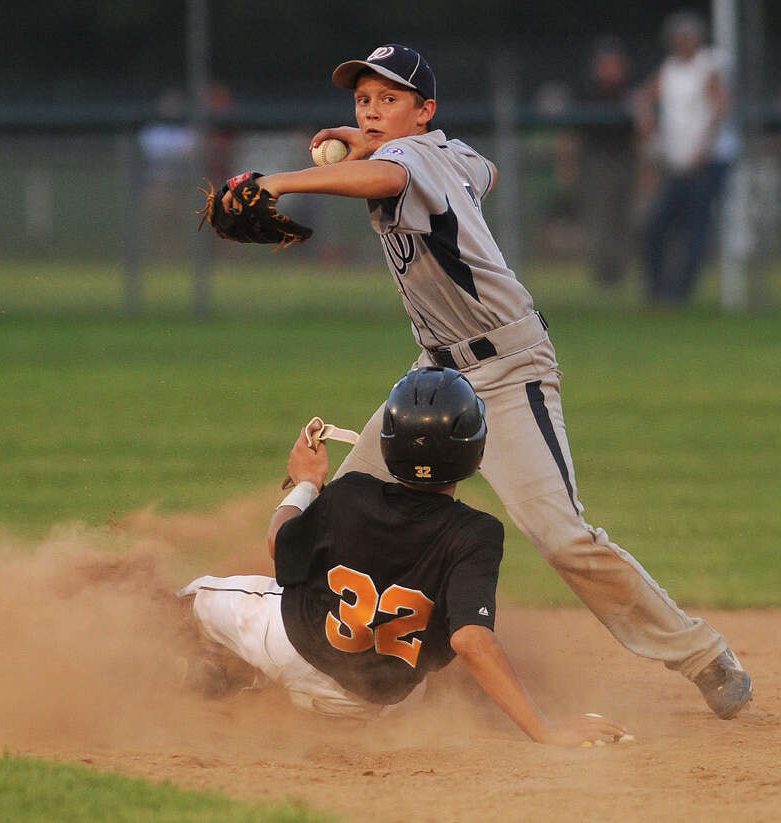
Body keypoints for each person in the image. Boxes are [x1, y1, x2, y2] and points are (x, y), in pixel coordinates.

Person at [213, 44, 752, 719]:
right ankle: (308, 658)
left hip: (508, 370)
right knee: (350, 509)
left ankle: (703, 654)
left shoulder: (407, 162)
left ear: (424, 110)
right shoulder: (446, 154)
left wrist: (286, 182)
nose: (371, 108)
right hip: (435, 372)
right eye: (362, 100)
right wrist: (365, 143)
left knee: (564, 538)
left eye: (388, 99)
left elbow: (387, 179)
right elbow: (483, 171)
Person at [181, 367, 630, 746]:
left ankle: (177, 669)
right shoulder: (476, 533)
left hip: (288, 649)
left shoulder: (351, 493)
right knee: (423, 674)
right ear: (475, 452)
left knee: (198, 596)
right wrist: (544, 729)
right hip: (369, 706)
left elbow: (280, 548)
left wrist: (306, 482)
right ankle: (240, 677)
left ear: (388, 442)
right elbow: (471, 640)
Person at [635, 12, 735, 304]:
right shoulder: (669, 70)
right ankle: (658, 291)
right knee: (656, 226)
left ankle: (681, 294)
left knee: (695, 228)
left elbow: (719, 109)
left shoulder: (710, 64)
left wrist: (702, 150)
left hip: (706, 163)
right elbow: (642, 98)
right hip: (678, 163)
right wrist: (651, 137)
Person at [575, 35, 637, 287]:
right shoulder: (588, 93)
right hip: (597, 162)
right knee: (600, 220)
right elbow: (574, 134)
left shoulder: (629, 93)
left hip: (624, 161)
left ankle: (619, 276)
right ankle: (603, 279)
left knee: (623, 220)